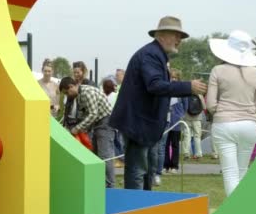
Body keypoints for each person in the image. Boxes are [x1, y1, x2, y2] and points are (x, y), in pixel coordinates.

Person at [109, 16, 207, 190]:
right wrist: (188, 86)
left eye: (181, 37)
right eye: (176, 35)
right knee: (138, 171)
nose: (179, 40)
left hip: (143, 124)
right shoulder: (151, 55)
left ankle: (142, 208)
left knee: (146, 170)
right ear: (161, 36)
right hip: (138, 124)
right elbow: (155, 85)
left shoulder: (156, 55)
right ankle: (135, 210)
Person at [206, 30, 256, 197]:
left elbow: (210, 104)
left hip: (224, 123)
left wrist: (221, 110)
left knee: (230, 173)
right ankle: (244, 210)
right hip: (249, 124)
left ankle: (235, 213)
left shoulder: (218, 70)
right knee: (243, 171)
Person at [60, 77, 116, 188]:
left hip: (105, 122)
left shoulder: (87, 92)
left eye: (67, 92)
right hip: (97, 124)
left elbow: (93, 114)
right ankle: (99, 183)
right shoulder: (78, 95)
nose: (67, 95)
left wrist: (76, 128)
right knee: (95, 155)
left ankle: (110, 185)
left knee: (105, 155)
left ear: (71, 86)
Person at [163, 68, 187, 174]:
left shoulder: (182, 91)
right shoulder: (165, 89)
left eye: (175, 77)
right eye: (171, 77)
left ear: (178, 78)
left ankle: (174, 165)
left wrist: (181, 115)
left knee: (175, 144)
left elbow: (185, 105)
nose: (173, 79)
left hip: (177, 121)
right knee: (165, 144)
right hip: (166, 121)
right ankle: (165, 165)